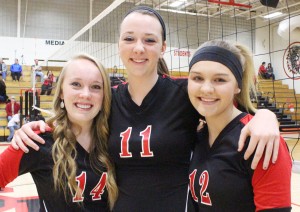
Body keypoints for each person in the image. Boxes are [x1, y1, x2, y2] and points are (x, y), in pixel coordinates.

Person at [11, 6, 280, 212]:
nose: (139, 48)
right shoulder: (107, 99)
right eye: (129, 39)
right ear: (119, 45)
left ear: (163, 47)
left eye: (149, 41)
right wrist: (33, 129)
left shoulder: (186, 93)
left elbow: (230, 109)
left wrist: (267, 117)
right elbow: (74, 118)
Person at [0, 53, 118, 211]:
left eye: (96, 87)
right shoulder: (38, 140)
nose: (85, 94)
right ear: (61, 91)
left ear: (104, 95)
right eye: (76, 84)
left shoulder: (116, 139)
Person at [187, 40, 291, 211]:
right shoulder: (195, 136)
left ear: (238, 86)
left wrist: (266, 114)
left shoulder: (261, 140)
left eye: (219, 80)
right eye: (197, 78)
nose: (206, 89)